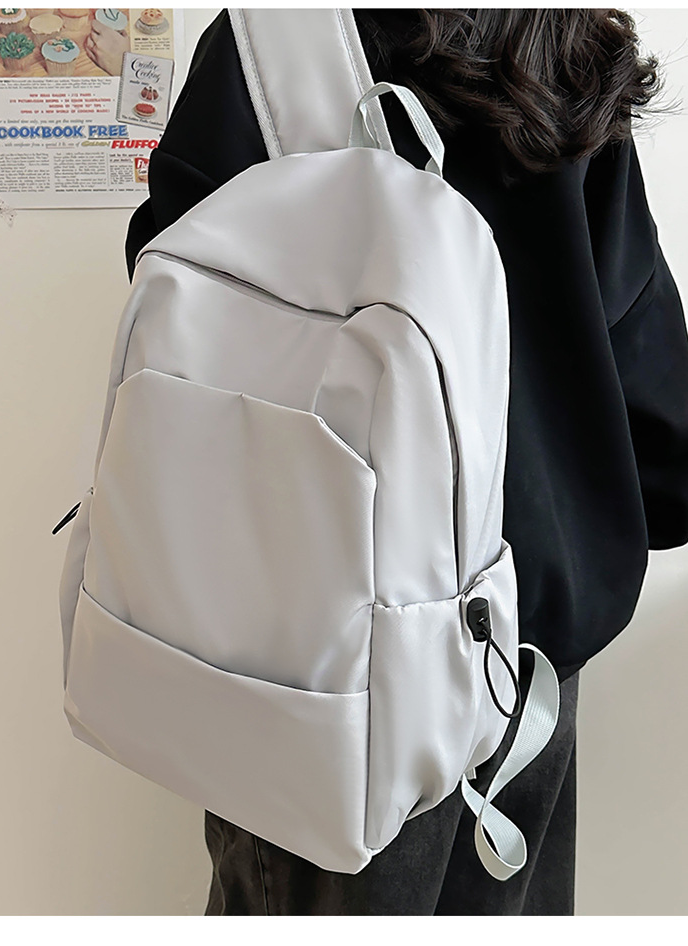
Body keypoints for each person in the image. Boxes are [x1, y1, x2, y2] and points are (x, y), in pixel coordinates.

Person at [124, 9, 688, 915]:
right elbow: (654, 405)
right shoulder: (562, 42)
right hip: (522, 660)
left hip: (315, 658)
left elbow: (177, 331)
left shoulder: (272, 45)